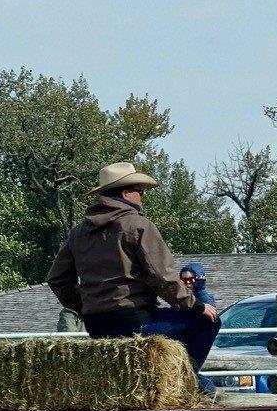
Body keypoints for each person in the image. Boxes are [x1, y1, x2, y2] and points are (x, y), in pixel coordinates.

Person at [47, 161, 220, 394]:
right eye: (140, 191)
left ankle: (190, 381)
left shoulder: (79, 233)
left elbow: (57, 278)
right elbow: (162, 276)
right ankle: (184, 381)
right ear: (126, 193)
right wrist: (195, 306)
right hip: (136, 322)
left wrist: (83, 306)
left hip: (96, 325)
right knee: (209, 320)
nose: (142, 198)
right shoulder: (138, 225)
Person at [141, 262, 222, 396]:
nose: (187, 284)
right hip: (184, 337)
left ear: (199, 280)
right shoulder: (183, 298)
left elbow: (205, 317)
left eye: (190, 280)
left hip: (191, 338)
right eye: (183, 280)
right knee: (184, 368)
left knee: (187, 368)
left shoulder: (203, 300)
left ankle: (208, 388)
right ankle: (207, 388)